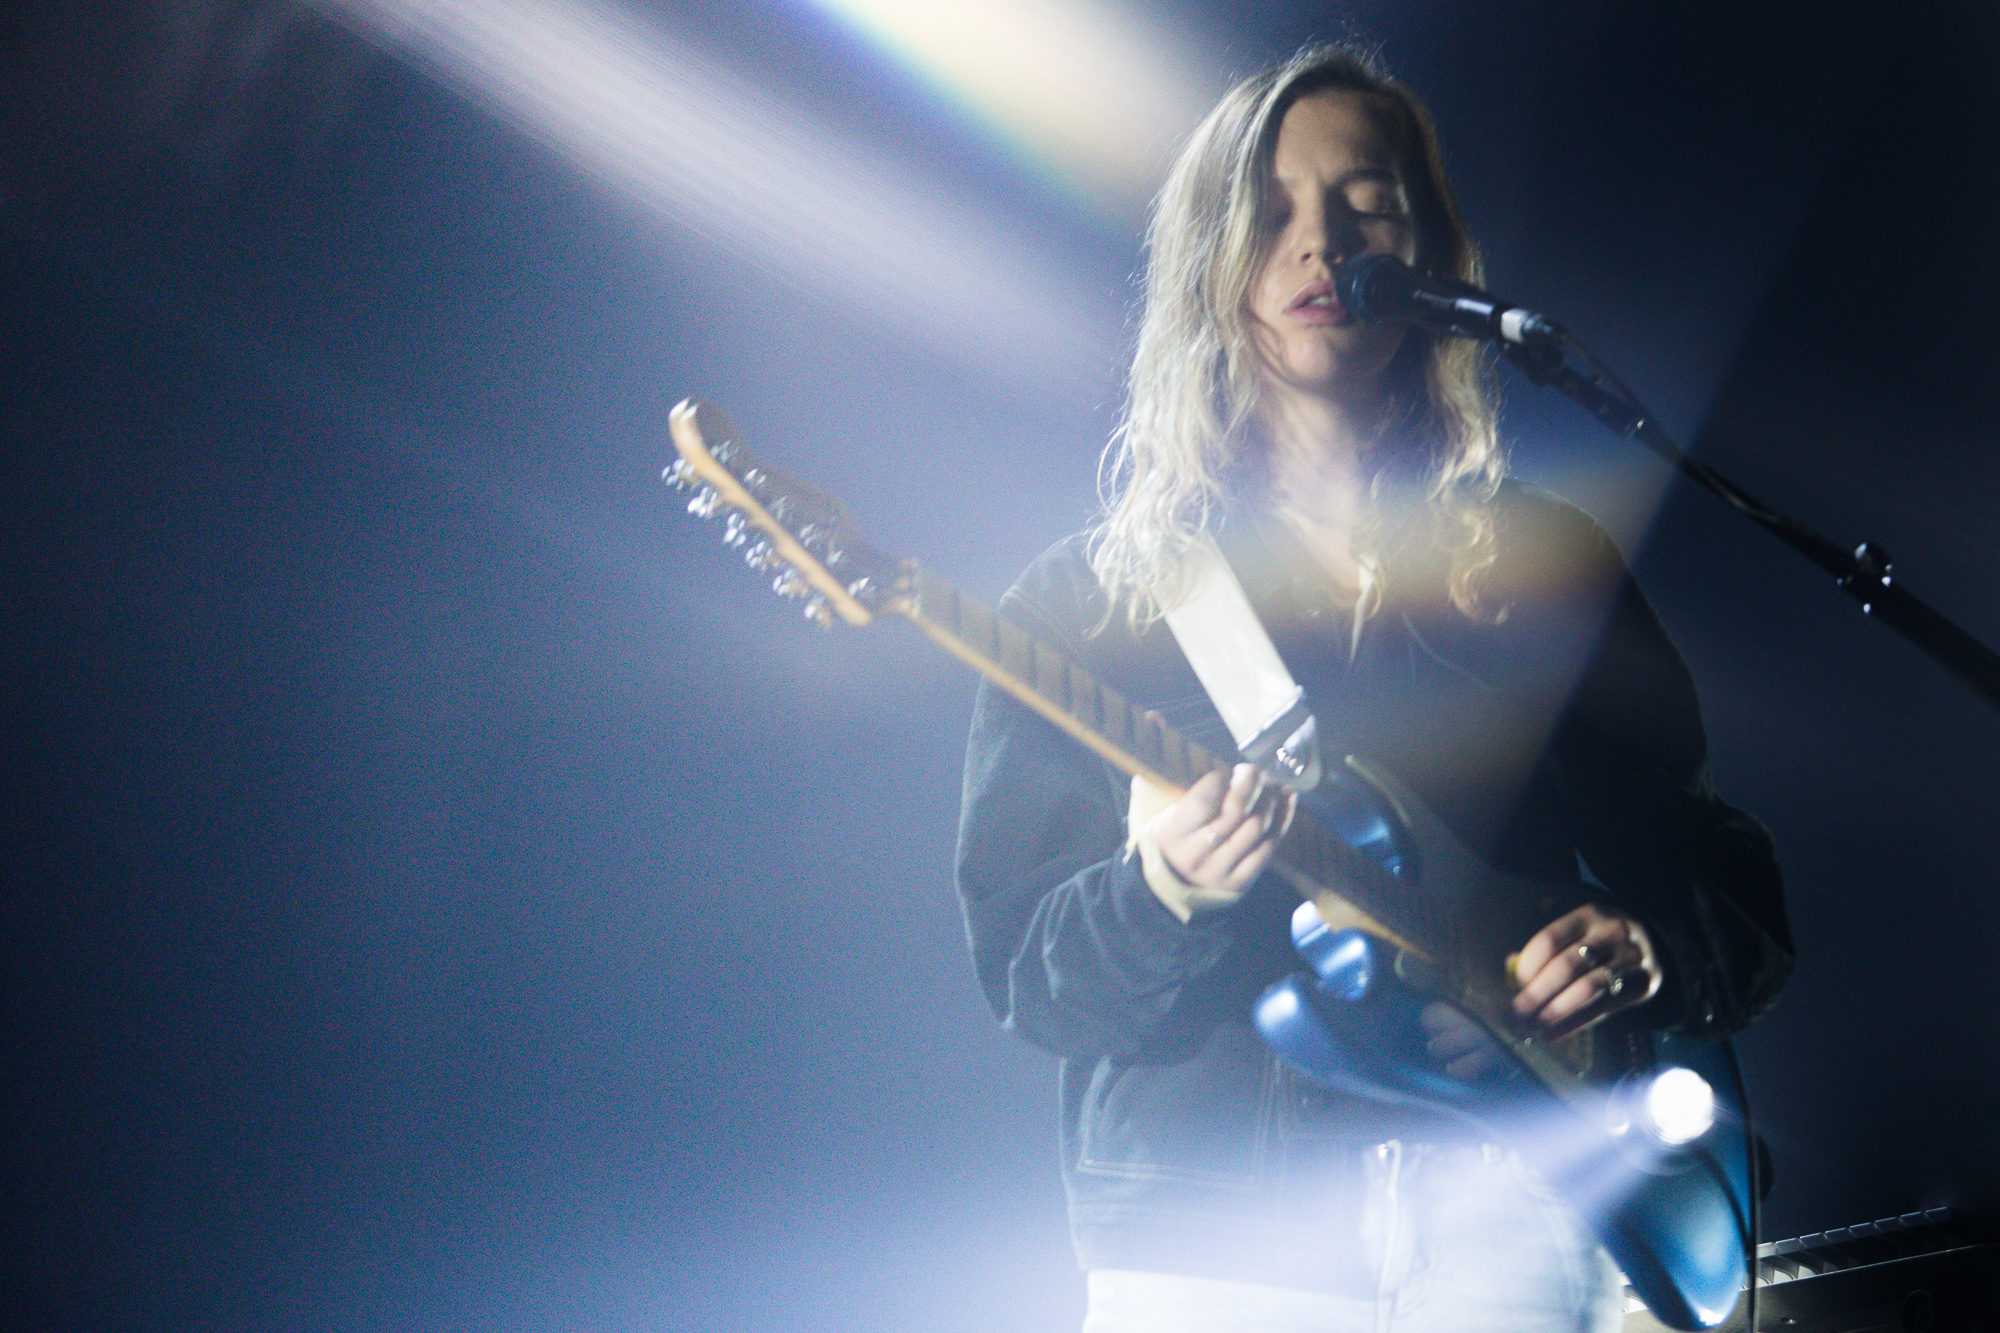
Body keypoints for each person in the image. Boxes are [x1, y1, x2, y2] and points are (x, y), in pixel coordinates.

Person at [953, 43, 1794, 1333]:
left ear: (1429, 250)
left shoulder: (1549, 565)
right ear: (1208, 261)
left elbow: (1725, 881)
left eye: (1366, 203)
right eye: (1272, 210)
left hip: (1512, 1209)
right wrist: (1159, 890)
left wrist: (1646, 952)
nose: (1321, 243)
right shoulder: (1088, 609)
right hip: (1216, 1240)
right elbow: (1032, 980)